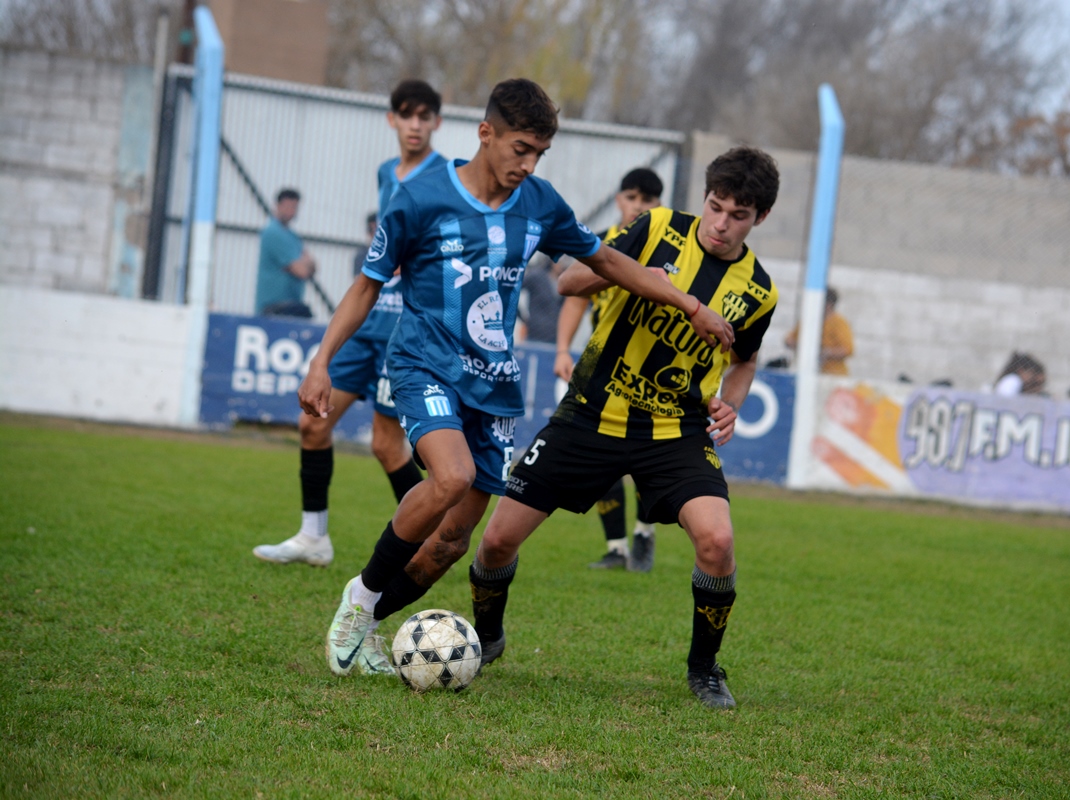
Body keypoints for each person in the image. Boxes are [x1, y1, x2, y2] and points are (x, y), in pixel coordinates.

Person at [300, 78, 733, 678]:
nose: (526, 165)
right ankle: (361, 598)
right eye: (520, 149)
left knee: (453, 542)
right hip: (423, 361)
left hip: (495, 385)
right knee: (449, 477)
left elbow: (605, 260)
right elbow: (367, 284)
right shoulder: (419, 197)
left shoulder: (540, 203)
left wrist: (691, 304)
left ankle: (369, 628)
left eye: (539, 155)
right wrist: (321, 361)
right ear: (486, 134)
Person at [469, 146, 781, 710]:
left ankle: (705, 669)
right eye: (715, 207)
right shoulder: (655, 228)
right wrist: (652, 284)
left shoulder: (759, 290)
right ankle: (488, 636)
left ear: (759, 218)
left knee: (718, 541)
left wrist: (730, 402)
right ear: (703, 199)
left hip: (675, 430)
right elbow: (568, 282)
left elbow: (746, 360)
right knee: (495, 540)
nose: (720, 224)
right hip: (590, 412)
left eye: (738, 215)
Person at [253, 80, 445, 568]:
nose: (416, 125)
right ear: (392, 120)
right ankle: (314, 537)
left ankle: (433, 539)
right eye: (407, 115)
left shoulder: (446, 177)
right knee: (311, 425)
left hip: (404, 333)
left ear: (437, 123)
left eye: (425, 116)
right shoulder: (387, 172)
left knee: (386, 445)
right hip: (367, 324)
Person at [554, 167, 664, 571]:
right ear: (620, 199)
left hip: (650, 371)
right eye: (632, 198)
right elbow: (575, 299)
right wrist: (563, 349)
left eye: (648, 200)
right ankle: (617, 547)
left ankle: (644, 534)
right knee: (600, 455)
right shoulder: (597, 243)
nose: (638, 206)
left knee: (649, 458)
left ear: (658, 205)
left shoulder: (665, 247)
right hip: (601, 368)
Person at [255, 188, 316, 318]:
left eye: (295, 207)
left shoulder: (293, 236)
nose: (292, 211)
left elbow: (312, 266)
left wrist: (306, 264)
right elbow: (302, 271)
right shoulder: (273, 233)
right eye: (288, 206)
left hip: (291, 304)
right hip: (274, 307)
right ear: (278, 206)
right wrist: (304, 263)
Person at [783, 286, 853, 374]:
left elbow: (847, 350)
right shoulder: (809, 320)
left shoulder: (839, 322)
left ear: (829, 304)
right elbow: (788, 340)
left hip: (832, 374)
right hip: (806, 371)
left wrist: (825, 352)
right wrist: (804, 346)